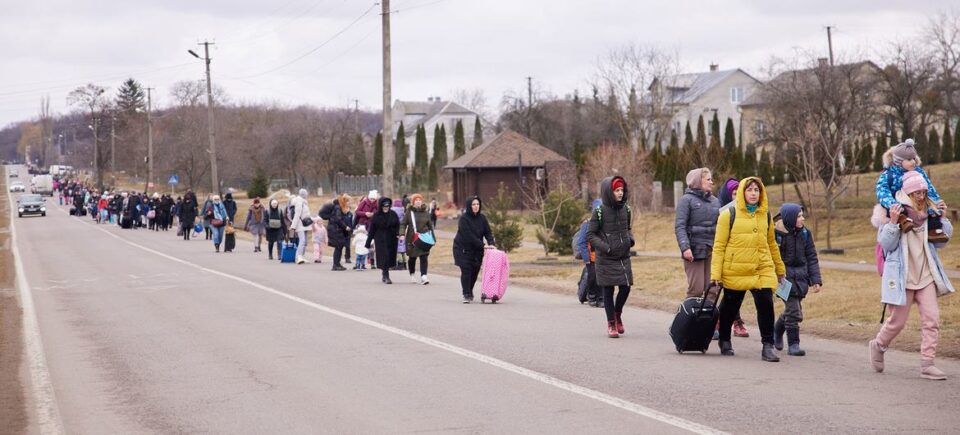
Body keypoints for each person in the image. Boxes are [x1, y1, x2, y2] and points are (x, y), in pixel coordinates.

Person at [870, 171, 954, 380]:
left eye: (923, 191)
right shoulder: (894, 210)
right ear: (907, 192)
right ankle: (879, 345)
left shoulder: (930, 213)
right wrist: (892, 223)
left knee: (932, 320)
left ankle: (927, 364)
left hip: (925, 275)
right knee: (897, 322)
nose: (920, 195)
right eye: (916, 191)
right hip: (903, 277)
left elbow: (942, 242)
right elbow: (886, 245)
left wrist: (943, 220)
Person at [711, 177, 786, 362]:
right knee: (730, 306)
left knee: (766, 304)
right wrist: (715, 274)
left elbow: (771, 243)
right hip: (736, 268)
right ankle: (725, 339)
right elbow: (719, 246)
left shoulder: (766, 215)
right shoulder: (728, 214)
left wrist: (779, 268)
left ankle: (767, 345)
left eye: (757, 190)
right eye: (750, 189)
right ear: (743, 192)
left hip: (762, 268)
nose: (753, 193)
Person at [586, 176, 634, 338]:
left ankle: (617, 314)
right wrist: (606, 248)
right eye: (616, 190)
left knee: (626, 287)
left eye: (621, 190)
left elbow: (627, 228)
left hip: (623, 256)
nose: (620, 193)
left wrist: (630, 240)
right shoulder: (599, 211)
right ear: (609, 192)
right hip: (606, 258)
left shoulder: (626, 209)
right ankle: (611, 323)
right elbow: (591, 235)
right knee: (608, 290)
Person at [773, 203, 823, 357]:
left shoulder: (805, 234)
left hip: (801, 278)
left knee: (792, 311)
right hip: (784, 278)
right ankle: (794, 344)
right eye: (799, 216)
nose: (803, 219)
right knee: (795, 312)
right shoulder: (778, 235)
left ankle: (777, 329)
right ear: (790, 218)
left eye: (802, 215)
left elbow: (811, 257)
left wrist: (815, 279)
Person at [876, 139, 947, 243]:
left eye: (914, 158)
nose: (913, 161)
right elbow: (882, 190)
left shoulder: (919, 171)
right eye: (909, 159)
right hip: (896, 203)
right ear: (899, 161)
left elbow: (928, 187)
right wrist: (892, 204)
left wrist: (935, 201)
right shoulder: (889, 174)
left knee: (933, 212)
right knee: (897, 209)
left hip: (919, 203)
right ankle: (903, 221)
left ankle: (934, 230)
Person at [675, 168, 721, 299]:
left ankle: (708, 319)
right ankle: (690, 317)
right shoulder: (686, 200)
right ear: (698, 181)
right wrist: (685, 248)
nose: (712, 182)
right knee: (696, 289)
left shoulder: (715, 201)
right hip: (694, 251)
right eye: (708, 179)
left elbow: (720, 225)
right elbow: (680, 226)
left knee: (712, 289)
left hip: (713, 249)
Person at [718, 178, 751, 338]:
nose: (737, 196)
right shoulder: (721, 211)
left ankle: (727, 321)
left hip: (741, 257)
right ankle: (731, 322)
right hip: (723, 256)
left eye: (739, 193)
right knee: (730, 292)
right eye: (733, 193)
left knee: (735, 292)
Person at [453, 196, 496, 303]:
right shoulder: (464, 219)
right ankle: (466, 294)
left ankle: (469, 290)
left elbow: (488, 232)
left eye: (477, 204)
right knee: (466, 270)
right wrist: (483, 245)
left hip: (476, 250)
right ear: (469, 206)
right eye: (473, 204)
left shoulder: (482, 218)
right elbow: (468, 236)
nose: (476, 206)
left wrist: (491, 243)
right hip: (462, 249)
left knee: (475, 271)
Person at [575, 199, 603, 307]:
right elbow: (581, 242)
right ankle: (591, 295)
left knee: (602, 277)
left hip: (602, 256)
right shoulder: (586, 224)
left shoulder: (605, 225)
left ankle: (601, 297)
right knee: (592, 277)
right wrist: (586, 258)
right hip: (591, 257)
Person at [401, 193, 434, 285]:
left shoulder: (426, 212)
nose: (418, 201)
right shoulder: (409, 212)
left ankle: (424, 276)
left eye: (420, 200)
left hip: (424, 239)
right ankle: (412, 274)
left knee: (424, 257)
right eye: (416, 200)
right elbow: (403, 224)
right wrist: (402, 234)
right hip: (412, 239)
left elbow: (430, 226)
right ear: (413, 202)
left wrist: (433, 239)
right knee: (412, 258)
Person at [366, 197, 400, 284]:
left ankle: (385, 272)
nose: (386, 208)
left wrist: (398, 234)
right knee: (384, 256)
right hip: (380, 239)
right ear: (381, 206)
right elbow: (372, 230)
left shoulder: (393, 214)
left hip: (391, 239)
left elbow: (397, 225)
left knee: (389, 257)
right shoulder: (376, 215)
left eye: (387, 206)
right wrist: (368, 242)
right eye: (384, 206)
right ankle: (386, 275)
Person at [326, 194, 352, 271]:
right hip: (335, 230)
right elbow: (338, 219)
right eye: (348, 201)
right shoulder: (338, 208)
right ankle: (335, 265)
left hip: (336, 229)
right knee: (338, 247)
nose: (349, 203)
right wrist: (345, 227)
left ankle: (337, 263)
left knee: (339, 247)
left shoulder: (339, 207)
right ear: (344, 201)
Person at [289, 189, 312, 264]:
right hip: (299, 224)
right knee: (302, 240)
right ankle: (298, 256)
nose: (306, 195)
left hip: (305, 224)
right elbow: (297, 214)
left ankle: (302, 256)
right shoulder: (299, 201)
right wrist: (293, 226)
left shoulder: (304, 202)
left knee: (304, 242)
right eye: (305, 194)